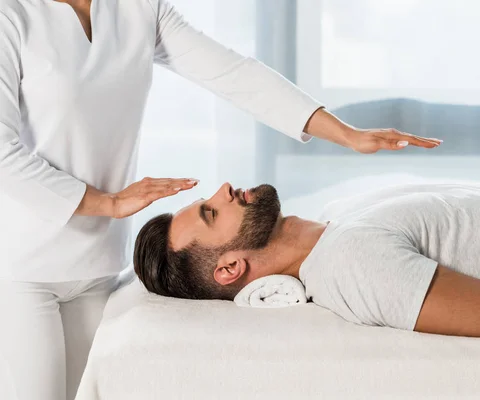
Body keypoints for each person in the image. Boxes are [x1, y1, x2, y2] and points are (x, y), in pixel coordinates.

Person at [0, 0, 443, 399]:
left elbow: (232, 73)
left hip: (97, 264)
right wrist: (110, 204)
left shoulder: (138, 8)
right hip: (22, 269)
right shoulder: (12, 17)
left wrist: (344, 133)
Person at [134, 182, 480, 344]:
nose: (224, 189)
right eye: (212, 213)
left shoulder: (340, 219)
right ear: (231, 268)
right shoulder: (350, 264)